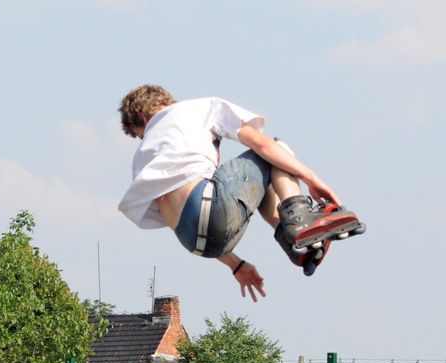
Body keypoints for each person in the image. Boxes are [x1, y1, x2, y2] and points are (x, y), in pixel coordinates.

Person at [118, 84, 363, 300]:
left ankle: (297, 247)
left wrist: (235, 265)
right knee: (277, 149)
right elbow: (262, 144)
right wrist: (312, 178)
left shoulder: (142, 160)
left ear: (141, 117)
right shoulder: (197, 109)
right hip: (211, 206)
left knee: (262, 181)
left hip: (196, 243)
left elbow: (187, 220)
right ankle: (300, 218)